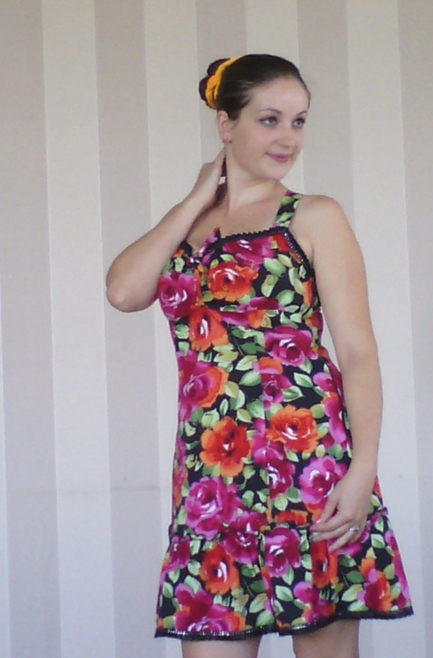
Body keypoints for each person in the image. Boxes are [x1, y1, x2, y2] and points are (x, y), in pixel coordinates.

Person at [106, 54, 413, 658]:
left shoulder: (314, 216)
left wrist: (362, 472)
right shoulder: (186, 228)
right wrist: (197, 197)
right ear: (226, 124)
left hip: (310, 466)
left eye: (299, 121)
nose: (288, 138)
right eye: (269, 119)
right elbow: (123, 291)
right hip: (211, 478)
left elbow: (357, 352)